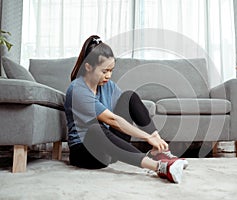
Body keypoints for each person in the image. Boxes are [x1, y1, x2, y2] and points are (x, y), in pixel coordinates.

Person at [64, 35, 188, 184]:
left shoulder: (107, 85)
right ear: (88, 66)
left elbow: (127, 107)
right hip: (86, 152)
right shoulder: (78, 89)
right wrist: (145, 137)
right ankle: (159, 167)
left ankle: (159, 151)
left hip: (109, 149)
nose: (108, 76)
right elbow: (113, 120)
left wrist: (154, 137)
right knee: (96, 129)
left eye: (111, 70)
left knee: (129, 96)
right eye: (104, 71)